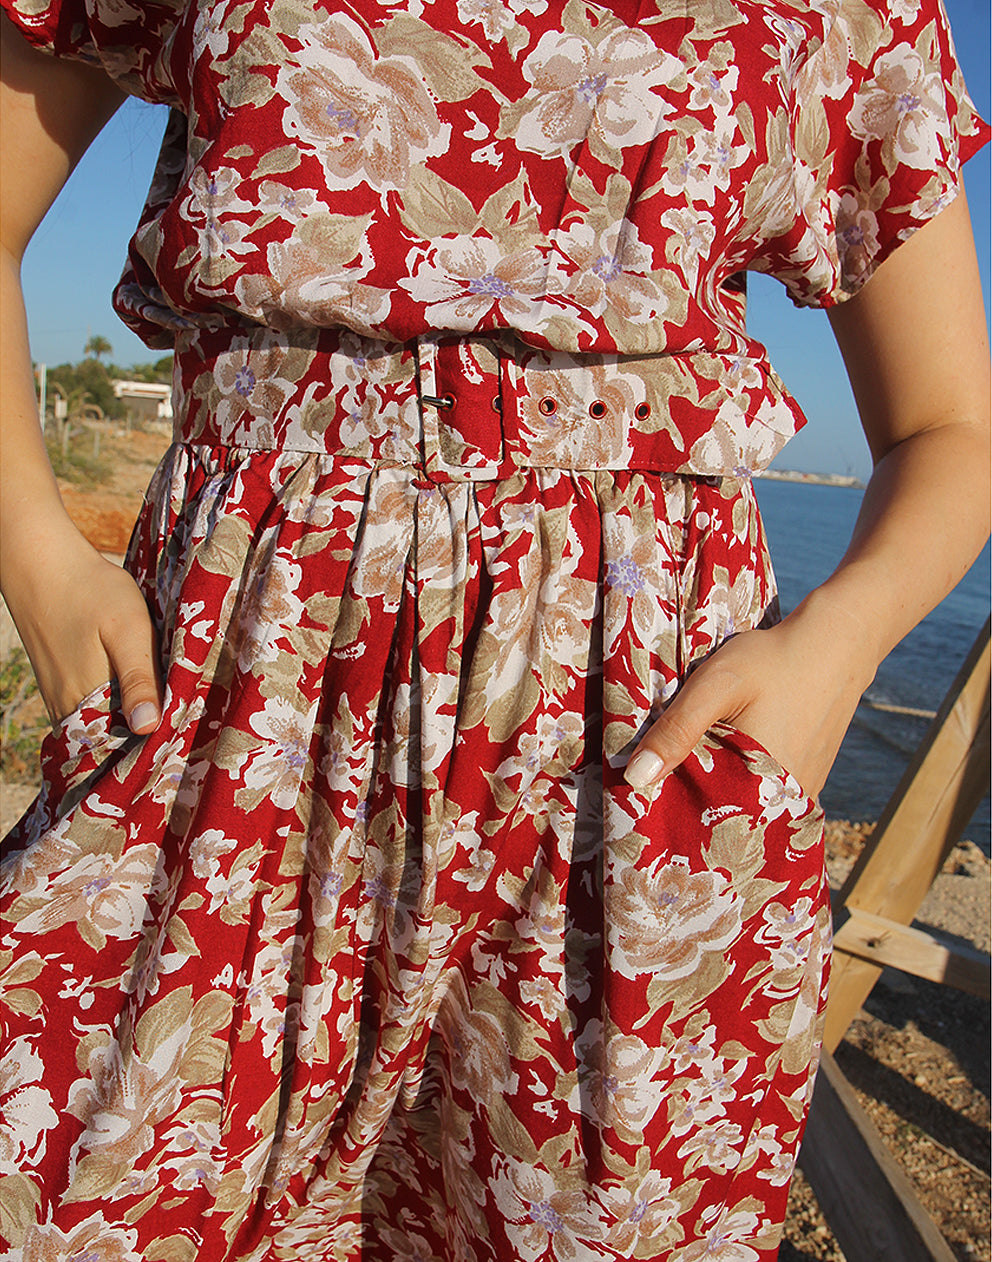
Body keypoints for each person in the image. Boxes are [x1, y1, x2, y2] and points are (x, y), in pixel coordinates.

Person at [0, 0, 988, 1257]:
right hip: (229, 707)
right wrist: (33, 546)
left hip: (631, 755)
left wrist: (833, 649)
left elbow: (949, 427)